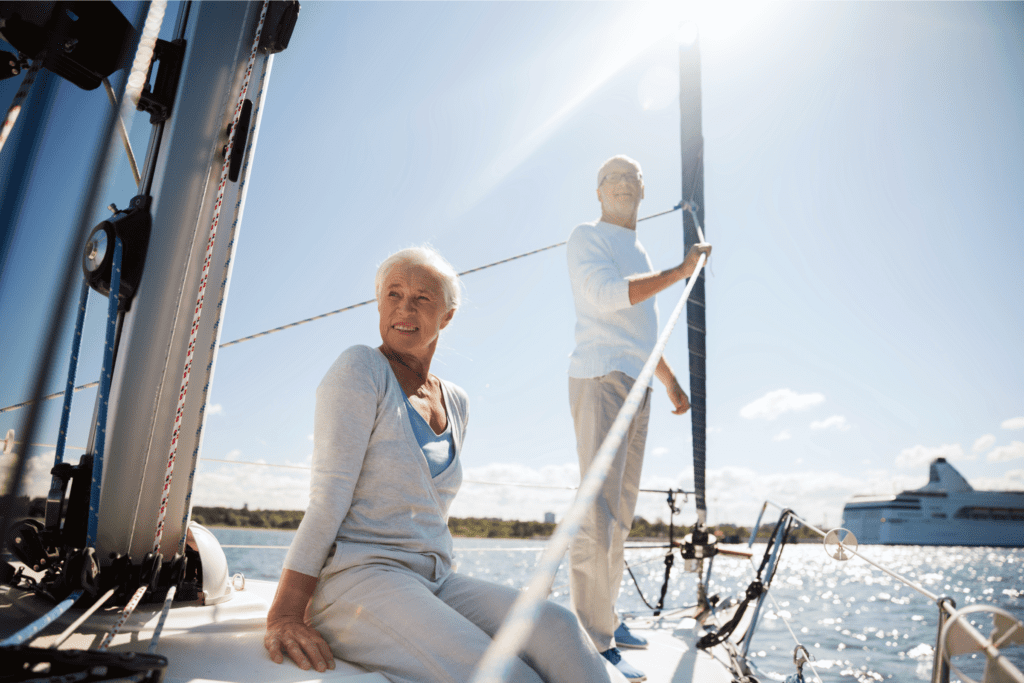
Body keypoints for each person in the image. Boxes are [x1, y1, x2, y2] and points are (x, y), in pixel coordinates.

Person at [264, 246, 625, 683]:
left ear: (447, 316)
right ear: (379, 304)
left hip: (436, 579)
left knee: (560, 628)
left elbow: (431, 509)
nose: (404, 308)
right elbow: (327, 498)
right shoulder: (360, 367)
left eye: (422, 298)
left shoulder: (456, 400)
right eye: (393, 295)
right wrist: (285, 614)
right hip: (359, 578)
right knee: (504, 673)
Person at [566, 156, 712, 682]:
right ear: (599, 190)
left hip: (638, 379)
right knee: (597, 509)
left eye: (634, 177)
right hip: (601, 375)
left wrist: (669, 380)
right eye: (614, 176)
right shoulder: (587, 237)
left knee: (620, 511)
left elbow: (642, 328)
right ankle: (589, 636)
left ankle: (604, 617)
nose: (625, 183)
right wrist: (679, 273)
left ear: (644, 192)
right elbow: (607, 298)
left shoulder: (640, 249)